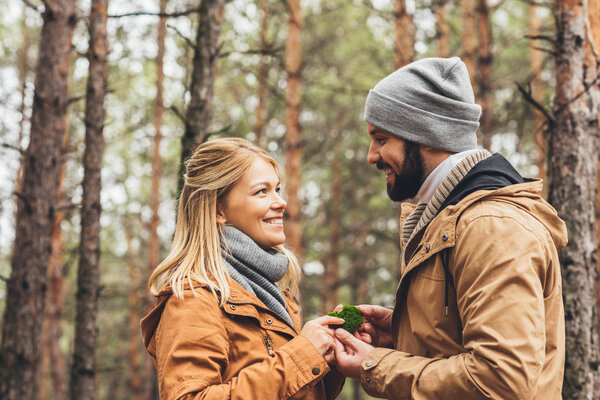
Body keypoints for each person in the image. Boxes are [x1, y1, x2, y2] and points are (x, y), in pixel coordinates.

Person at [332, 57, 567, 399]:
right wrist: (402, 332)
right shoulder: (447, 218)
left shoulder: (490, 227)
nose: (372, 155)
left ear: (426, 134)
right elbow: (465, 346)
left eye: (381, 138)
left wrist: (376, 365)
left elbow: (500, 380)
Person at [141, 138, 345, 399]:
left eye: (277, 189)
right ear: (219, 209)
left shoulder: (268, 293)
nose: (281, 202)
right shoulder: (195, 298)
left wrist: (330, 358)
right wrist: (302, 356)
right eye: (262, 191)